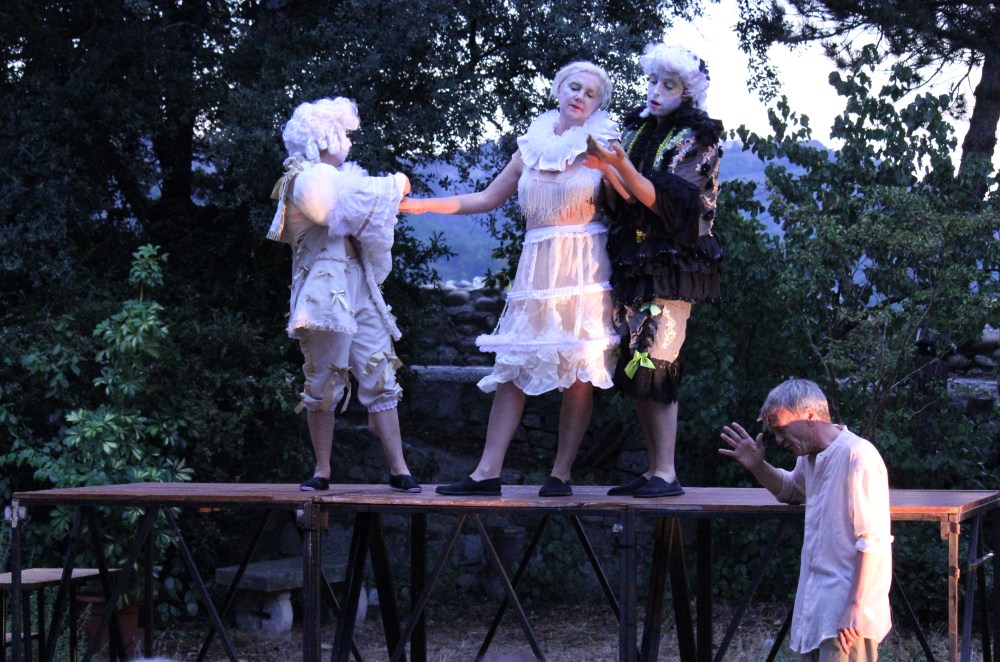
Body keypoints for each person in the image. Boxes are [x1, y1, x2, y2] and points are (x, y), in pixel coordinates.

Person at [399, 62, 620, 497]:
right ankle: (486, 473)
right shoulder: (529, 150)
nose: (580, 96)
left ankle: (561, 474)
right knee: (512, 367)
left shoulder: (604, 147)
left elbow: (631, 197)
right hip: (536, 268)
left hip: (584, 269)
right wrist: (422, 205)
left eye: (591, 93)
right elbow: (485, 198)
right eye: (574, 87)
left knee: (579, 369)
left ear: (598, 105)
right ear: (558, 91)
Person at [583, 42, 724, 498]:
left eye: (669, 85)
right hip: (636, 257)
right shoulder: (639, 131)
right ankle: (653, 469)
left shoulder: (698, 138)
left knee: (659, 357)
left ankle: (666, 472)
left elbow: (668, 203)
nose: (656, 91)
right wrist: (606, 168)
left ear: (687, 93)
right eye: (653, 82)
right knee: (638, 360)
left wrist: (618, 163)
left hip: (671, 260)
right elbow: (627, 197)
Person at [267, 97, 421, 493]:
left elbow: (362, 209)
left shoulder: (334, 178)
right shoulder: (305, 179)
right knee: (323, 377)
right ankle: (322, 469)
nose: (349, 142)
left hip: (359, 286)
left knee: (379, 369)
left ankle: (400, 469)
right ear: (323, 137)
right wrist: (395, 184)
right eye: (342, 134)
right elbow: (330, 208)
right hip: (325, 291)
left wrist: (390, 189)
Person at [718, 378, 893, 661]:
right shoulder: (810, 458)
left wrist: (855, 607)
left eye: (782, 429)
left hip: (847, 617)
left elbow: (873, 542)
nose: (778, 440)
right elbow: (790, 490)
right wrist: (757, 466)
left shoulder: (858, 456)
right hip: (816, 610)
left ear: (810, 415)